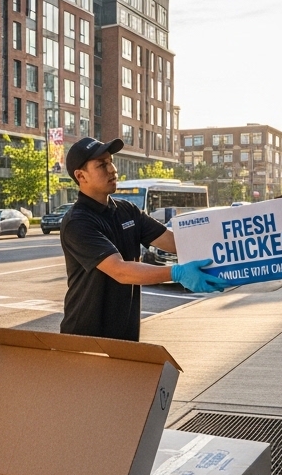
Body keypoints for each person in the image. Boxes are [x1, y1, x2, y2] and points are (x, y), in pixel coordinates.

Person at [58, 137, 226, 341]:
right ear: (81, 176)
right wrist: (177, 273)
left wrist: (230, 247)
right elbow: (120, 271)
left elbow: (173, 242)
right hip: (85, 337)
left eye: (110, 161)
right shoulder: (77, 222)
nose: (112, 169)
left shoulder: (127, 211)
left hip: (125, 336)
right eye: (102, 165)